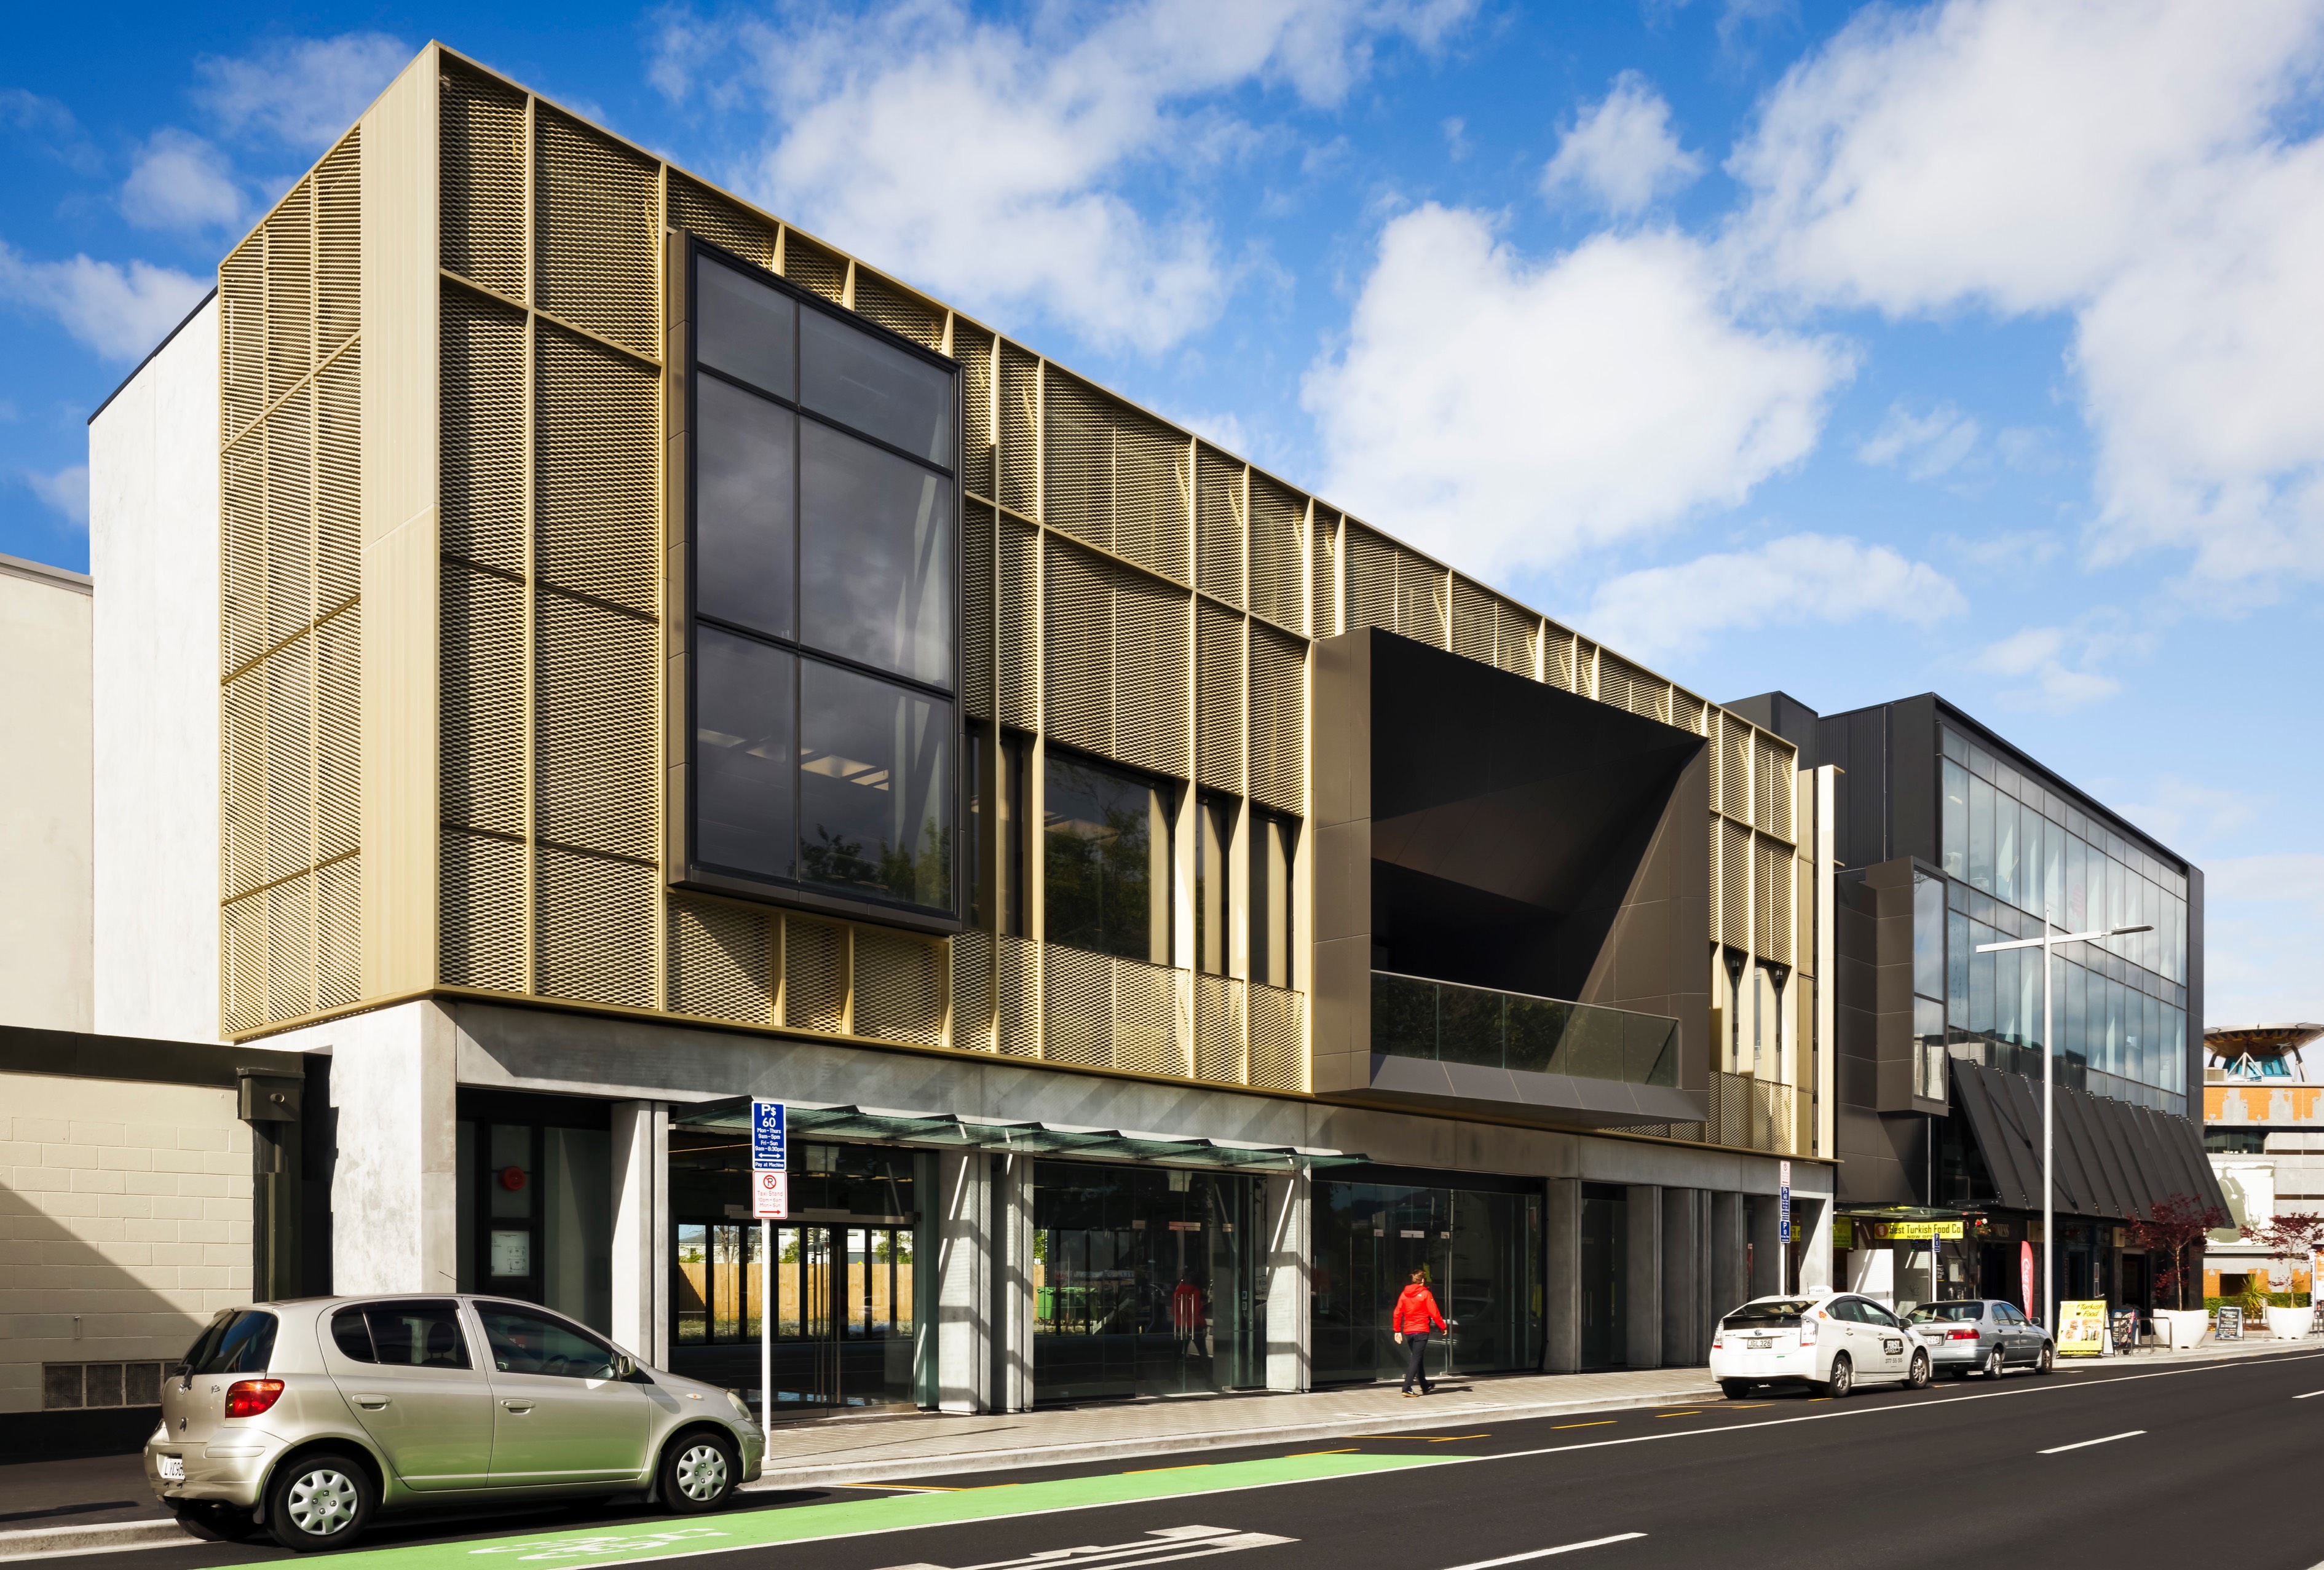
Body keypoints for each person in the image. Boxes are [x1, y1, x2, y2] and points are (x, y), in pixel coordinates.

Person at [1392, 1267, 1447, 1396]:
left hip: (1409, 1331)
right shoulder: (1426, 1294)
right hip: (1421, 1330)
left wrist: (1397, 1330)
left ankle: (1424, 1385)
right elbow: (1434, 1312)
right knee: (1416, 1358)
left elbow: (1397, 1312)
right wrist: (1443, 1327)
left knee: (1418, 1358)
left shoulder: (1404, 1294)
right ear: (1423, 1280)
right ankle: (1407, 1388)